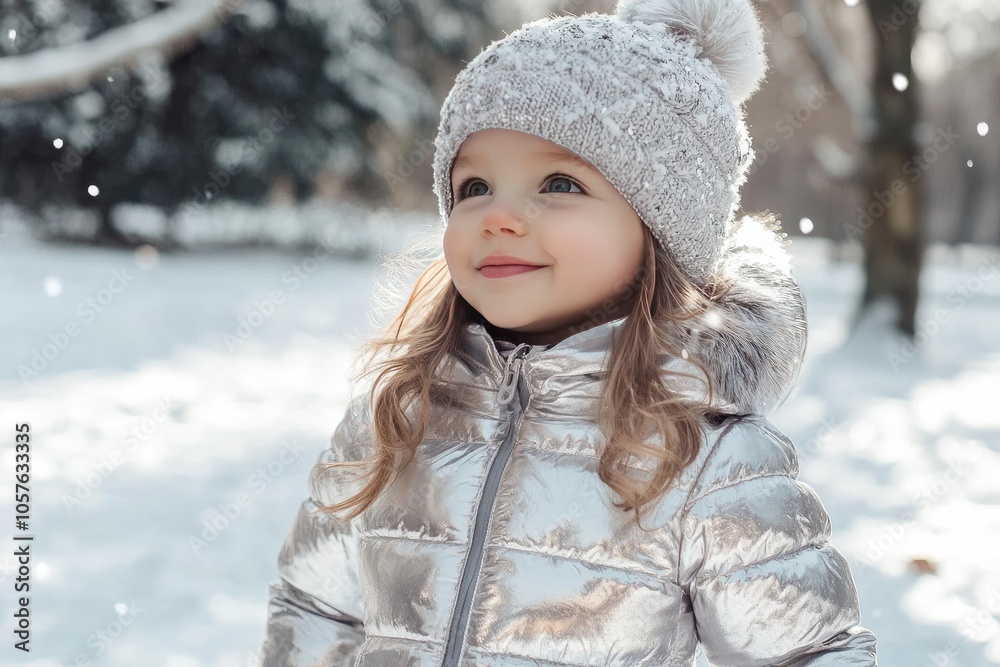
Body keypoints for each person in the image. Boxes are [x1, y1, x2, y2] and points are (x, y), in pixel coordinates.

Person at [260, 0, 879, 664]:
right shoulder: (398, 415)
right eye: (473, 187)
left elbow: (807, 652)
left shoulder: (706, 457)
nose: (498, 214)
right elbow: (316, 607)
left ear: (660, 232)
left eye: (558, 182)